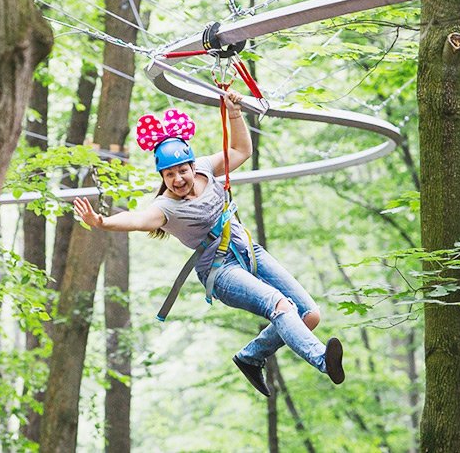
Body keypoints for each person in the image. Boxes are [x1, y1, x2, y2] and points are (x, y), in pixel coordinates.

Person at [73, 92, 345, 397]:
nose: (178, 179)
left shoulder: (204, 168)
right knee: (279, 305)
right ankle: (323, 361)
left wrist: (234, 113)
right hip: (221, 271)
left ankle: (251, 356)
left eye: (182, 171)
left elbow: (240, 150)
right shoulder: (166, 208)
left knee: (310, 315)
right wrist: (101, 222)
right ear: (163, 177)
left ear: (191, 165)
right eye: (170, 175)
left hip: (249, 251)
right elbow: (136, 220)